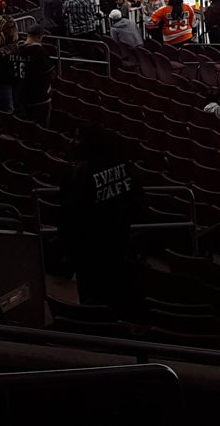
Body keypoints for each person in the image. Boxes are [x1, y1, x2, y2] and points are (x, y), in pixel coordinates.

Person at [59, 127, 143, 314]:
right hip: (118, 244)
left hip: (90, 252)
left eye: (78, 139)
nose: (73, 142)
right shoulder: (123, 163)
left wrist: (70, 252)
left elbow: (70, 215)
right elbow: (138, 198)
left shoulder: (79, 175)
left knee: (93, 302)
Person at [16, 24, 56, 126]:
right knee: (41, 128)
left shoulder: (18, 51)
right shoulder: (41, 53)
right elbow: (50, 73)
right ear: (39, 37)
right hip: (39, 98)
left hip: (22, 95)